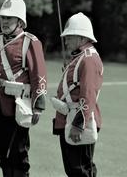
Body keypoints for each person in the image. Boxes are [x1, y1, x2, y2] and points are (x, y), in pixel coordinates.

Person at [0, 0, 47, 177]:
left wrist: (38, 107)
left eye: (8, 18)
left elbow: (39, 75)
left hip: (18, 108)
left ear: (20, 21)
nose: (4, 21)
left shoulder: (30, 42)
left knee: (18, 157)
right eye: (2, 17)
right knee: (2, 155)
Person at [51, 12, 103, 177]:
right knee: (74, 170)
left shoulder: (88, 58)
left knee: (81, 171)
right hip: (70, 118)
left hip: (79, 120)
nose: (65, 41)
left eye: (69, 37)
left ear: (82, 38)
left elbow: (87, 94)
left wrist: (78, 124)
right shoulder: (80, 57)